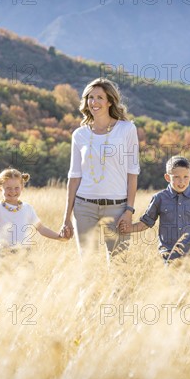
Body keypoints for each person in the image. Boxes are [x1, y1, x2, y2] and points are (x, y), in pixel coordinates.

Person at [60, 77, 140, 258]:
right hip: (84, 206)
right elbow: (74, 176)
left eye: (99, 97)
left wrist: (129, 210)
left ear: (110, 101)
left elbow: (133, 172)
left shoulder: (126, 129)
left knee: (119, 264)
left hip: (117, 208)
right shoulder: (79, 134)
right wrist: (66, 218)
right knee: (87, 265)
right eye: (90, 97)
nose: (94, 102)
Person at [0, 168, 67, 253]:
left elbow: (41, 229)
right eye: (8, 188)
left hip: (25, 252)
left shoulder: (27, 208)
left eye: (16, 187)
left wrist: (59, 237)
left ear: (22, 187)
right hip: (5, 252)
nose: (13, 191)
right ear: (0, 187)